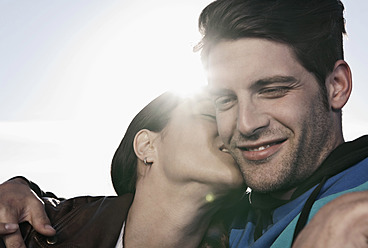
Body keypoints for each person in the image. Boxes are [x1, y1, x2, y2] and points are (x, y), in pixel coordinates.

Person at [194, 0, 368, 247]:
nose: (245, 124)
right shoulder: (217, 222)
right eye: (225, 99)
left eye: (273, 90)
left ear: (336, 86)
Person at [0, 91, 246, 248]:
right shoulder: (32, 231)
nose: (231, 129)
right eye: (208, 114)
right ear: (147, 146)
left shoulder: (264, 237)